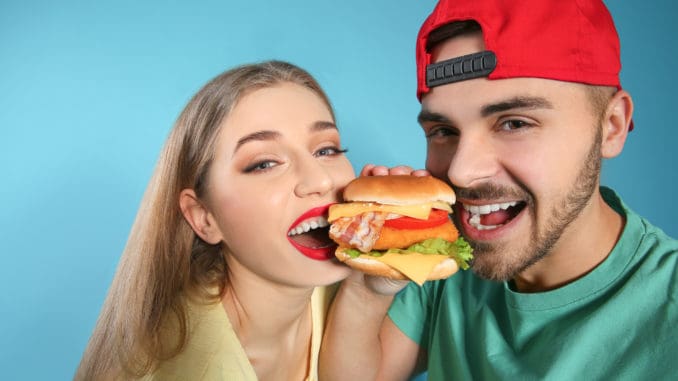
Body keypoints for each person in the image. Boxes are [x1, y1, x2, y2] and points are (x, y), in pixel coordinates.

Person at [320, 1, 678, 380]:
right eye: (443, 131)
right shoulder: (448, 261)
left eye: (514, 124)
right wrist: (370, 282)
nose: (460, 171)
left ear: (613, 126)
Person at [75, 60, 355, 380]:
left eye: (327, 150)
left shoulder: (339, 295)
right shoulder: (181, 370)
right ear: (204, 218)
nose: (319, 180)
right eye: (264, 163)